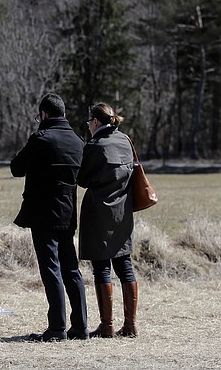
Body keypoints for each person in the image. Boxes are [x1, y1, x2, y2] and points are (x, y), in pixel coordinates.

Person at [10, 93, 89, 342]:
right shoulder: (77, 141)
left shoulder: (40, 139)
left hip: (43, 214)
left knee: (51, 271)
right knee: (71, 270)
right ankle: (80, 326)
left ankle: (57, 328)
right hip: (68, 212)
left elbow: (16, 168)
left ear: (44, 114)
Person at [77, 102, 138, 338]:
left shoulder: (94, 146)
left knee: (102, 268)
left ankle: (107, 325)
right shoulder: (125, 140)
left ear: (95, 122)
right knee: (125, 266)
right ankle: (131, 325)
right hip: (123, 212)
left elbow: (82, 179)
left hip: (98, 212)